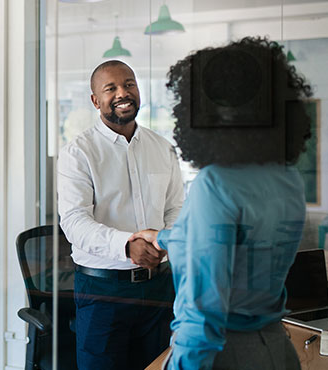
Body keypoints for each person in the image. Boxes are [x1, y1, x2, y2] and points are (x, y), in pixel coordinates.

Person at [131, 37, 312, 370]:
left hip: (223, 354)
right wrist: (164, 237)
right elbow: (241, 248)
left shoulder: (216, 186)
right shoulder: (287, 179)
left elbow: (203, 313)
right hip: (278, 348)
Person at [58, 60, 183, 369]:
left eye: (129, 84)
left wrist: (165, 241)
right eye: (110, 88)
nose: (122, 93)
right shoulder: (79, 152)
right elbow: (74, 222)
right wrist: (127, 246)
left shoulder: (163, 148)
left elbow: (177, 209)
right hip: (103, 292)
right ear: (95, 100)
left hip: (159, 288)